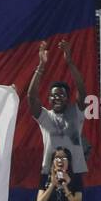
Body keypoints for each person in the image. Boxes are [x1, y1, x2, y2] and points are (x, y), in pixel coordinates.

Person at [27, 38, 90, 175]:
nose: (57, 98)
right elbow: (31, 97)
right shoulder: (45, 117)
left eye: (61, 95)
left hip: (75, 173)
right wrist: (41, 66)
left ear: (68, 99)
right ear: (49, 99)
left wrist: (70, 62)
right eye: (54, 95)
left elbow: (82, 91)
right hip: (50, 172)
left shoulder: (76, 112)